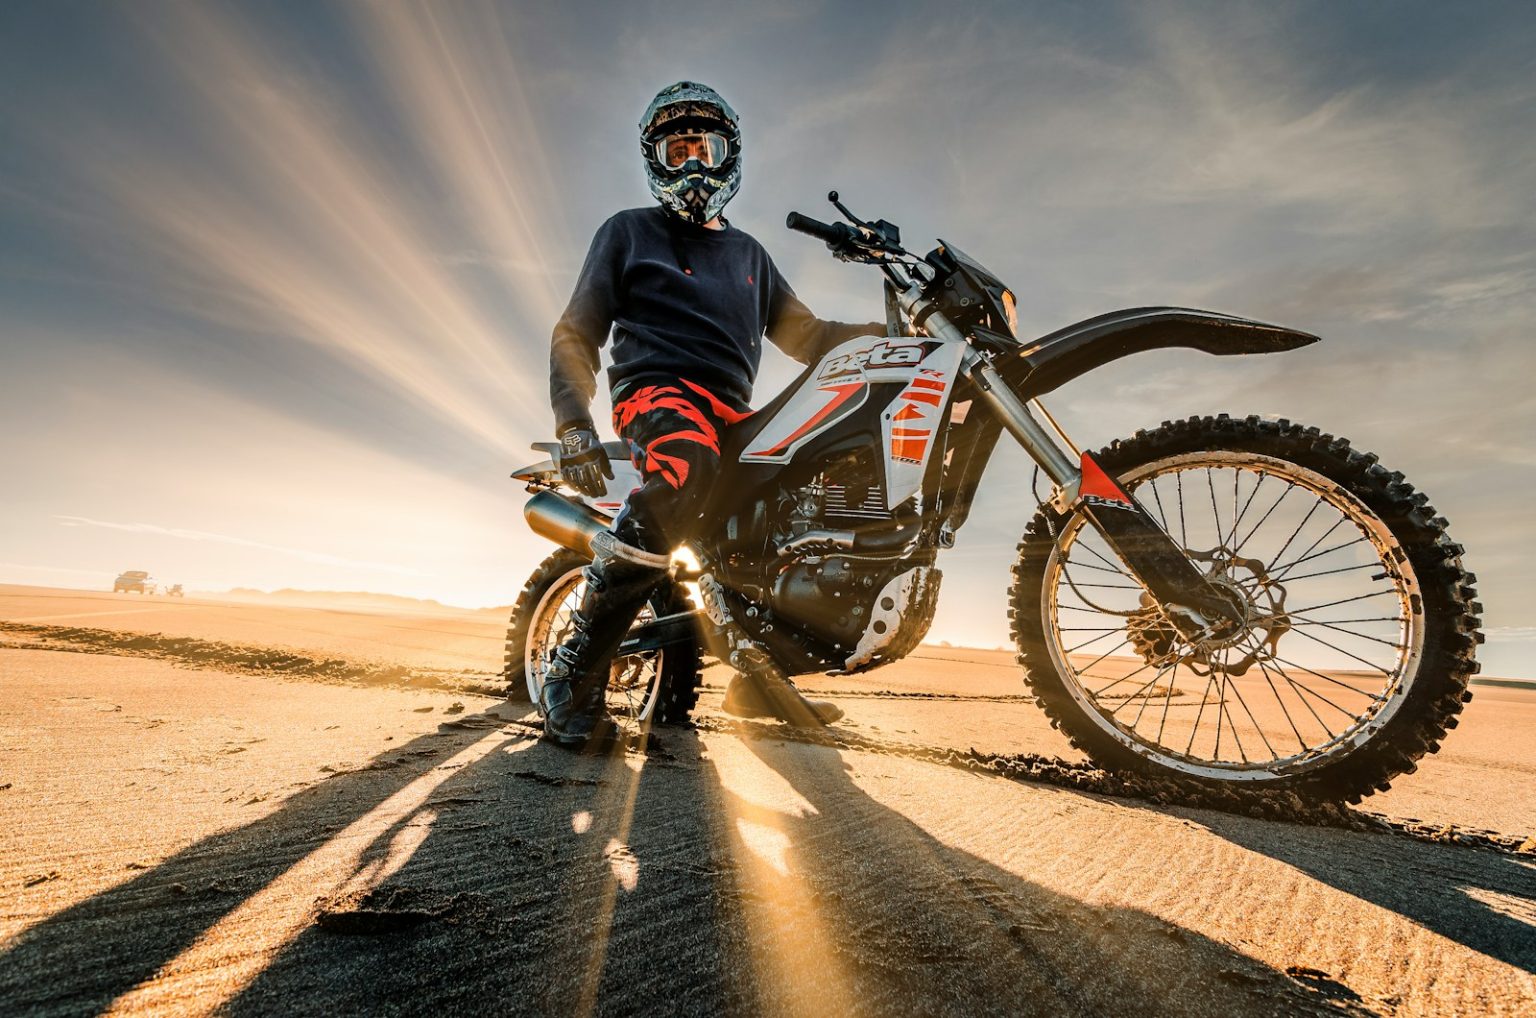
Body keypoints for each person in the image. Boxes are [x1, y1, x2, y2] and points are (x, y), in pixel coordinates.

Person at [540, 80, 882, 748]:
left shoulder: (751, 254)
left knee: (800, 503)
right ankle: (574, 670)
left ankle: (758, 676)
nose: (693, 164)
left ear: (730, 156)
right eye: (677, 151)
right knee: (684, 461)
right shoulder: (628, 232)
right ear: (654, 161)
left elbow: (808, 339)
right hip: (659, 393)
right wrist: (573, 422)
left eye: (705, 147)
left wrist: (888, 336)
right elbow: (575, 332)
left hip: (735, 412)